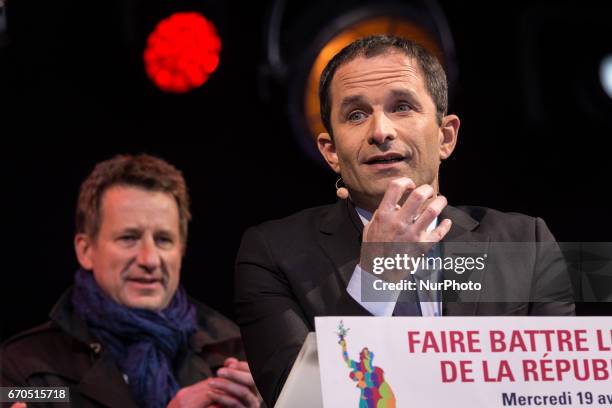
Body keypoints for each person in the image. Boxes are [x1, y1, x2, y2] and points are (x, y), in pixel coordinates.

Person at [234, 35, 575, 406]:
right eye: (356, 115)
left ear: (446, 137)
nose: (380, 131)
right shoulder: (271, 253)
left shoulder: (527, 241)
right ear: (331, 151)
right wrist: (376, 279)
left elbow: (558, 392)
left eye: (402, 107)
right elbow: (299, 402)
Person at [1, 154, 261, 408]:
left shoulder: (235, 353)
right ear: (86, 250)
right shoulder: (24, 368)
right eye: (128, 238)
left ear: (181, 250)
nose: (149, 259)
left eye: (163, 240)